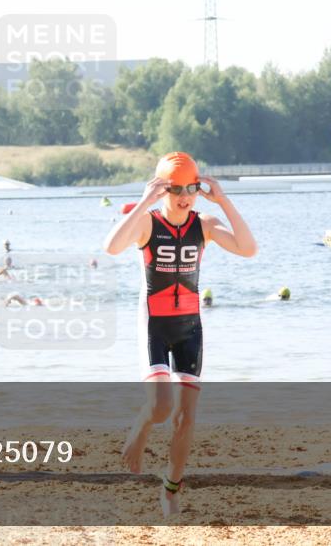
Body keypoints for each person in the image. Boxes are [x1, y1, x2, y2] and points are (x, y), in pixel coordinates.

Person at [103, 152, 256, 517]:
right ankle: (141, 425)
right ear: (162, 189)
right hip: (154, 324)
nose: (184, 195)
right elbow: (111, 247)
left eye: (191, 187)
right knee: (160, 407)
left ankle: (171, 489)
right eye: (175, 189)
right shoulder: (147, 223)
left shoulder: (204, 224)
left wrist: (225, 201)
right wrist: (144, 201)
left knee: (186, 418)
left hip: (190, 328)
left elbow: (248, 249)